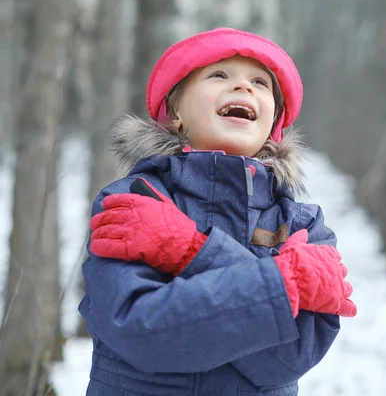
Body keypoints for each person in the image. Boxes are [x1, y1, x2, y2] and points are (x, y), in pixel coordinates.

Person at [79, 27, 357, 396]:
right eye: (219, 75)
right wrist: (283, 281)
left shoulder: (302, 224)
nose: (244, 88)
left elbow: (291, 355)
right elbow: (142, 330)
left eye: (260, 82)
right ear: (175, 111)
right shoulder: (136, 201)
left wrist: (189, 250)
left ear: (274, 124)